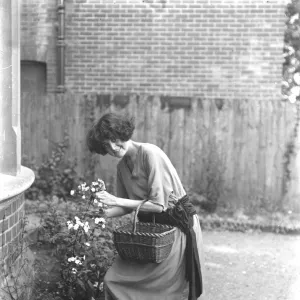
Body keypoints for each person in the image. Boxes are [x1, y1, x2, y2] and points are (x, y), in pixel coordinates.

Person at [86, 112, 205, 300]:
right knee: (113, 280)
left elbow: (159, 205)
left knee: (167, 293)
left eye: (114, 140)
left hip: (175, 230)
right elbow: (127, 206)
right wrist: (101, 214)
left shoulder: (150, 153)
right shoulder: (122, 167)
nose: (114, 148)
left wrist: (115, 200)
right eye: (106, 146)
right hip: (150, 234)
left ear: (123, 133)